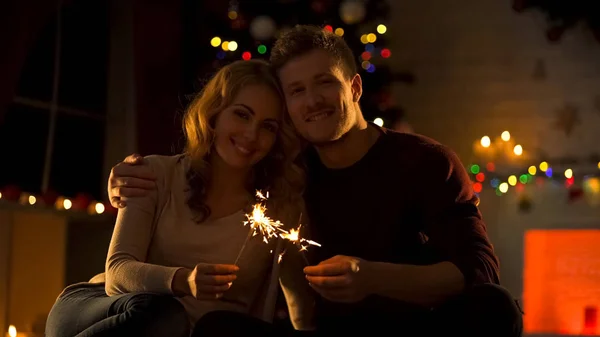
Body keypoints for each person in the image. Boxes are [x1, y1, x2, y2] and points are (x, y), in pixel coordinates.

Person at [107, 26, 523, 336]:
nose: (312, 101)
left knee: (494, 306)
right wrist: (127, 176)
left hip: (417, 326)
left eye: (325, 83)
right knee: (220, 328)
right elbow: (210, 163)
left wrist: (372, 277)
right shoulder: (286, 169)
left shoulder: (424, 162)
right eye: (296, 91)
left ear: (355, 87)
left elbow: (479, 271)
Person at [45, 59, 315, 337]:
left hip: (201, 330)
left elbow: (299, 300)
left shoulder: (282, 209)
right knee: (164, 316)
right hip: (101, 310)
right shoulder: (154, 173)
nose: (251, 134)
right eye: (242, 115)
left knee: (208, 325)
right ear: (214, 113)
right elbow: (117, 272)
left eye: (267, 127)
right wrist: (185, 280)